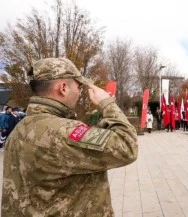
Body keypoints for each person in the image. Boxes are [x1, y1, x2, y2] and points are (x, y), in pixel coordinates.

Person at [1, 57, 138, 216]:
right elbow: (127, 146)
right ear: (63, 88)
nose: (80, 92)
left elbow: (70, 148)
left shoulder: (20, 129)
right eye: (79, 86)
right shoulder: (60, 131)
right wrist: (107, 104)